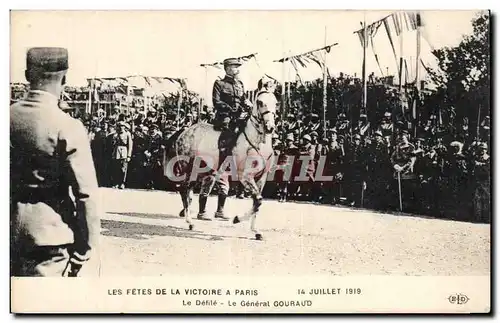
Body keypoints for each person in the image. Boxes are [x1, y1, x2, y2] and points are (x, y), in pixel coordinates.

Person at [10, 47, 100, 277]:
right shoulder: (68, 126)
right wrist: (84, 249)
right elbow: (85, 194)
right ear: (65, 79)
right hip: (49, 239)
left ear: (28, 75)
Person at [202, 58, 252, 221]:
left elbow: (243, 100)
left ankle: (220, 210)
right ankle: (221, 153)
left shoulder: (241, 84)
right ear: (226, 68)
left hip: (238, 117)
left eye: (237, 66)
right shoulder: (219, 84)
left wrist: (247, 105)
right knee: (226, 132)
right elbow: (217, 102)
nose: (236, 69)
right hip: (225, 117)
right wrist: (232, 111)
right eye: (233, 66)